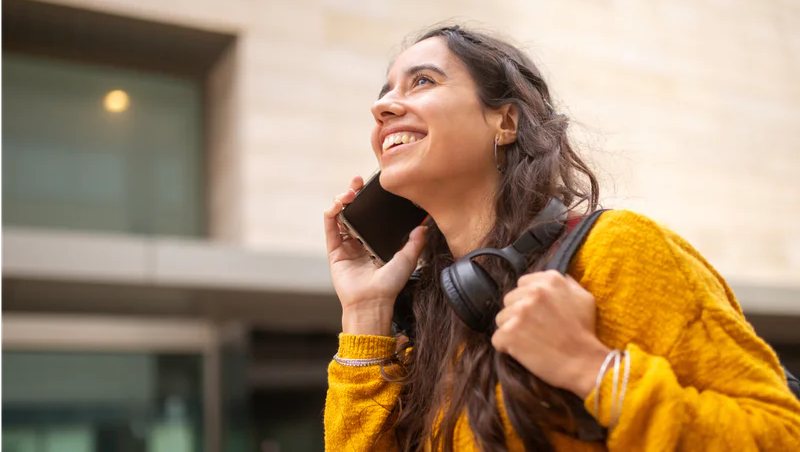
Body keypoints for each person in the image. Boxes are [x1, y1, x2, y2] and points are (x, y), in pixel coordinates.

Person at [322, 25, 800, 451]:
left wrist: (592, 369)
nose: (381, 106)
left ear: (504, 122)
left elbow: (781, 434)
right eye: (385, 92)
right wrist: (365, 312)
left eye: (422, 81)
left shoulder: (616, 249)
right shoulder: (432, 315)